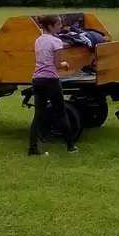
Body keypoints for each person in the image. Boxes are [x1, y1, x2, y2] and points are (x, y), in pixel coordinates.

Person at [27, 14, 78, 156]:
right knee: (61, 113)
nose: (61, 26)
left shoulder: (38, 41)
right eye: (58, 24)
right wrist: (65, 64)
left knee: (38, 116)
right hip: (51, 80)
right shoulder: (56, 42)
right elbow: (56, 64)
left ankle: (32, 149)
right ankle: (70, 147)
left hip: (37, 79)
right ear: (50, 26)